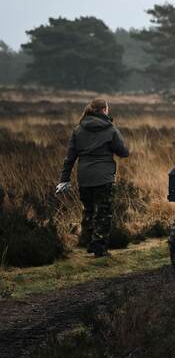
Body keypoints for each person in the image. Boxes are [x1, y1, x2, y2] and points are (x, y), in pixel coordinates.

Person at [56, 98, 130, 257]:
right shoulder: (110, 129)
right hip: (103, 177)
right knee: (104, 213)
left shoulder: (78, 129)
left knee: (88, 211)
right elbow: (123, 152)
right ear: (104, 110)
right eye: (107, 109)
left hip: (84, 177)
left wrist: (64, 179)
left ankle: (89, 243)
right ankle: (99, 248)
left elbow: (70, 158)